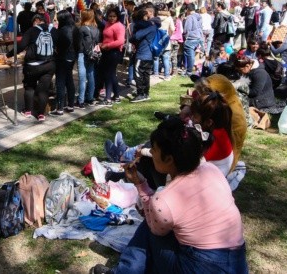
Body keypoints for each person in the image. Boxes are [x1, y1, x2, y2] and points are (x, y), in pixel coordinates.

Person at [90, 116, 248, 274]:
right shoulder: (211, 170)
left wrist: (140, 185)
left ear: (169, 159)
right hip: (236, 263)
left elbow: (154, 225)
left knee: (148, 228)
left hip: (199, 266)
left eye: (154, 150)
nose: (150, 152)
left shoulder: (165, 199)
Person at [8, 14, 56, 121]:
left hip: (32, 66)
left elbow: (21, 46)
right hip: (49, 65)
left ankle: (28, 111)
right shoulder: (53, 30)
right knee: (44, 90)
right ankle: (41, 114)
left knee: (29, 87)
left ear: (37, 21)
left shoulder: (32, 30)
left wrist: (8, 55)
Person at [98, 9, 125, 106]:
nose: (112, 18)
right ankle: (117, 96)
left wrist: (108, 45)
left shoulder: (119, 26)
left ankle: (108, 98)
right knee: (112, 74)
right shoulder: (107, 24)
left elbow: (121, 41)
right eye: (110, 16)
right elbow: (106, 37)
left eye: (114, 16)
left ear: (117, 17)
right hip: (106, 52)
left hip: (114, 53)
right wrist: (102, 44)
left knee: (109, 75)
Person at [52, 10, 77, 115]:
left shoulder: (62, 30)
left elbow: (61, 44)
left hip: (63, 58)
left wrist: (59, 50)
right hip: (72, 57)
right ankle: (71, 105)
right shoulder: (75, 28)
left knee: (60, 82)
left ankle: (60, 108)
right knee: (69, 80)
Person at [130, 8, 156, 102]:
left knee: (138, 74)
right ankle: (145, 93)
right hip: (149, 55)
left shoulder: (147, 28)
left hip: (142, 55)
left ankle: (140, 94)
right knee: (146, 75)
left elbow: (135, 37)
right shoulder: (153, 26)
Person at [77, 10, 101, 108]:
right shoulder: (96, 29)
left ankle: (81, 100)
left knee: (82, 78)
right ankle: (90, 98)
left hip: (82, 54)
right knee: (91, 76)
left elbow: (78, 43)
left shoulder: (82, 29)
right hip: (92, 55)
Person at [182, 4, 203, 76]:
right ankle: (190, 70)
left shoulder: (190, 17)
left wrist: (185, 35)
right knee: (192, 54)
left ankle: (189, 71)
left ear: (188, 9)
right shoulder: (199, 16)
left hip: (191, 38)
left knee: (190, 55)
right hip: (198, 37)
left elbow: (187, 29)